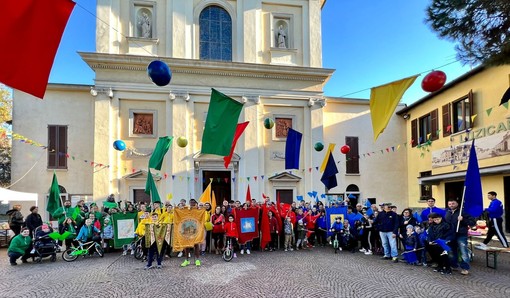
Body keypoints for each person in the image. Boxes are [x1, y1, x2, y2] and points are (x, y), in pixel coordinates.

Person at [445, 198, 476, 275]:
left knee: (463, 251)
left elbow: (472, 222)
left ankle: (465, 268)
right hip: (450, 235)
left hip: (461, 234)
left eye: (453, 204)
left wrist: (463, 220)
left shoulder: (463, 212)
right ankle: (454, 265)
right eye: (449, 204)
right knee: (451, 251)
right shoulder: (447, 212)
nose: (451, 205)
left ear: (457, 204)